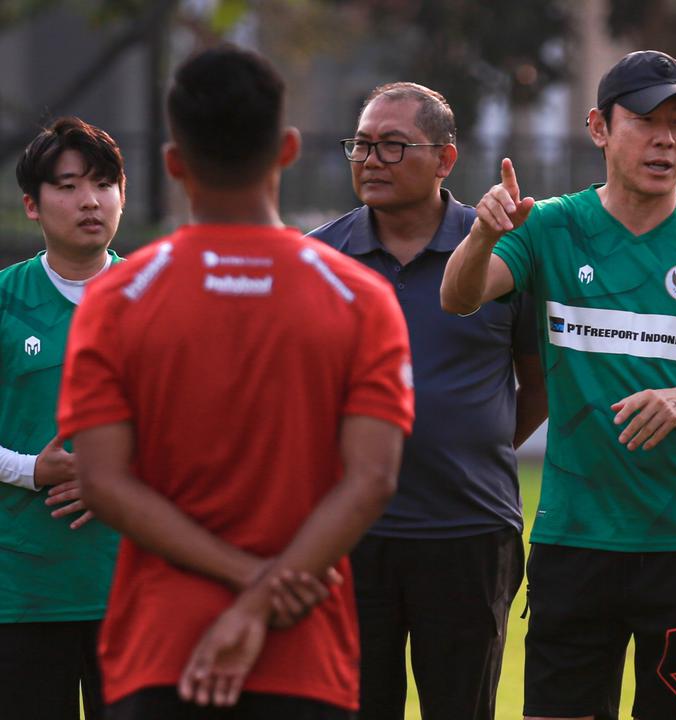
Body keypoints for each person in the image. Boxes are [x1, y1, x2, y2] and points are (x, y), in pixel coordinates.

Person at [57, 45, 415, 719]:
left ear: (173, 162)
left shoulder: (117, 299)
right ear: (288, 149)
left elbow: (102, 482)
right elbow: (372, 480)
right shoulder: (360, 299)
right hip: (303, 653)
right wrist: (263, 594)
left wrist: (246, 582)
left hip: (161, 654)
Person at [441, 50, 676, 720]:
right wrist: (481, 235)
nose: (665, 140)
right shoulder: (550, 226)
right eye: (646, 120)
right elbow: (459, 296)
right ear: (598, 127)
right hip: (575, 542)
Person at [309, 81, 546, 720]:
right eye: (361, 145)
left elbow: (539, 380)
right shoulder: (319, 259)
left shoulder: (500, 247)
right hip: (349, 535)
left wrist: (475, 444)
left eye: (392, 145)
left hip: (470, 531)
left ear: (445, 159)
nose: (370, 160)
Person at [0, 116, 126, 720]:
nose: (90, 201)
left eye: (103, 184)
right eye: (69, 186)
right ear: (32, 204)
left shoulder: (158, 298)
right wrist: (31, 470)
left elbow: (209, 434)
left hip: (136, 587)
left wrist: (119, 476)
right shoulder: (5, 300)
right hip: (22, 592)